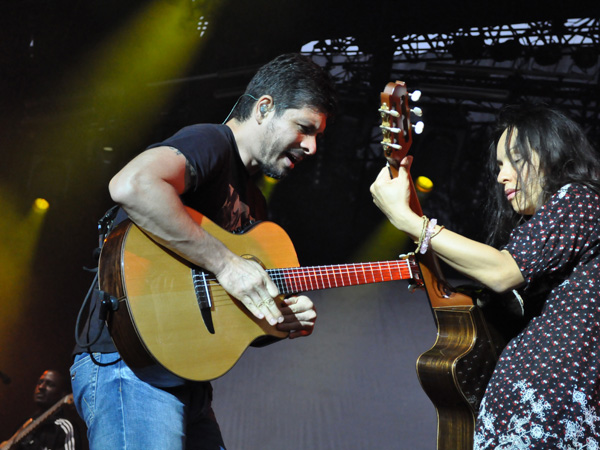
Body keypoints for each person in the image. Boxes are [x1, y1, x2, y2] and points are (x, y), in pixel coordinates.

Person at [71, 53, 336, 450]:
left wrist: (276, 320)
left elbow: (228, 307)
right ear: (264, 108)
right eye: (304, 128)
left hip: (186, 381)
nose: (312, 147)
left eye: (317, 136)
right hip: (129, 366)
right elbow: (132, 185)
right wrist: (227, 264)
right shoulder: (210, 142)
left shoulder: (255, 206)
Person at [370, 104, 600, 449]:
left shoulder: (581, 199)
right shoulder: (553, 229)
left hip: (549, 419)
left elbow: (502, 271)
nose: (501, 176)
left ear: (548, 153)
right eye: (499, 166)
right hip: (527, 417)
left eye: (513, 161)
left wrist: (409, 222)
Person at [1, 370, 81, 450]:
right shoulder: (24, 426)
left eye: (50, 384)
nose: (41, 387)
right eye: (40, 382)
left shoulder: (63, 427)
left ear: (63, 394)